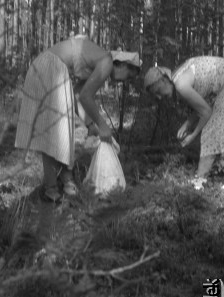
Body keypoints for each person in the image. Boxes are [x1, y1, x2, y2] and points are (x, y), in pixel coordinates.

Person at [15, 35, 141, 202]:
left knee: (57, 130)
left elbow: (77, 95)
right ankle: (54, 188)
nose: (126, 81)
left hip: (42, 67)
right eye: (129, 76)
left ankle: (61, 184)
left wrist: (90, 125)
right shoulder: (107, 61)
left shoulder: (97, 63)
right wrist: (103, 126)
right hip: (50, 68)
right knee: (57, 131)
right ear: (123, 64)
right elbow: (86, 97)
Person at [144, 56, 224, 191]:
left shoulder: (180, 85)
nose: (159, 97)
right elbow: (203, 105)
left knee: (211, 132)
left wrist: (192, 136)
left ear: (164, 80)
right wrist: (188, 123)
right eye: (155, 96)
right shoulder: (179, 78)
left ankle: (199, 181)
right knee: (222, 133)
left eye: (158, 91)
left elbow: (206, 112)